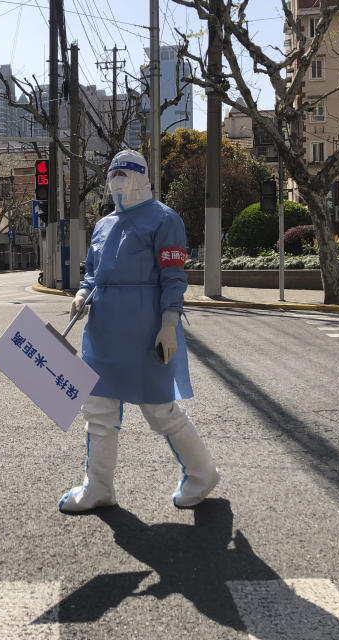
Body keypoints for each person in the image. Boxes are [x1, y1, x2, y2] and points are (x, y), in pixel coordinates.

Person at [59, 149, 219, 513]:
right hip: (102, 333)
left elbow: (174, 278)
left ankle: (202, 472)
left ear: (142, 178)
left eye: (126, 173)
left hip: (146, 330)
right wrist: (83, 292)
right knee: (98, 409)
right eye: (113, 173)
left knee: (160, 411)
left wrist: (168, 324)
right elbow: (93, 272)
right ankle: (98, 487)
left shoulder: (164, 220)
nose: (118, 180)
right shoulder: (103, 224)